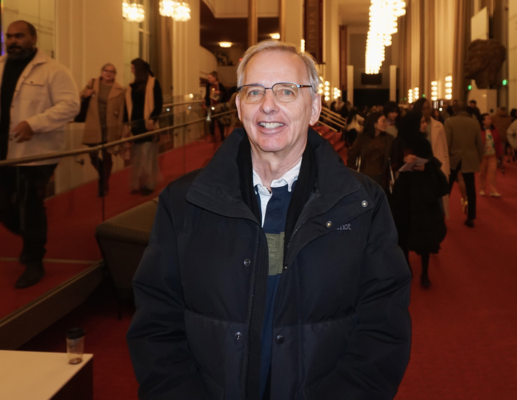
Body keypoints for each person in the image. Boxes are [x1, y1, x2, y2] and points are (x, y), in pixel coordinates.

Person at [127, 40, 411, 400]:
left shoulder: (362, 205)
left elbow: (382, 331)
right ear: (239, 107)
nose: (268, 105)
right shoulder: (183, 202)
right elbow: (157, 325)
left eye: (287, 91)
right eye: (254, 91)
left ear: (314, 108)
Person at [0, 20, 79, 288]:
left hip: (35, 154)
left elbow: (71, 105)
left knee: (30, 205)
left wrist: (34, 123)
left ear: (33, 39)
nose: (13, 41)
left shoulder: (54, 70)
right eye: (10, 36)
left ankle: (34, 260)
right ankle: (31, 234)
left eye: (19, 36)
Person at [390, 112, 448, 288]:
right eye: (422, 122)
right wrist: (404, 161)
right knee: (404, 229)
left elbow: (431, 163)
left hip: (422, 191)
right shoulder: (399, 141)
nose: (425, 125)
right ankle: (406, 265)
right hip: (405, 191)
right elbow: (393, 164)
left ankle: (425, 272)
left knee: (425, 233)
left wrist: (424, 167)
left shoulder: (424, 142)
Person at [80, 63, 126, 196]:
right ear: (101, 72)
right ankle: (103, 176)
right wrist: (85, 95)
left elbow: (121, 112)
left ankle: (103, 183)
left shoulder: (119, 89)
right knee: (93, 155)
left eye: (111, 71)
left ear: (114, 74)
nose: (108, 73)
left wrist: (119, 131)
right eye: (106, 70)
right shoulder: (92, 83)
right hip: (94, 125)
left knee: (107, 156)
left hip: (109, 126)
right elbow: (80, 95)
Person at [124, 58, 163, 196]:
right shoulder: (131, 86)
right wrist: (126, 125)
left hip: (148, 126)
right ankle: (139, 183)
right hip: (135, 126)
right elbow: (127, 106)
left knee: (147, 155)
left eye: (133, 68)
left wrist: (152, 120)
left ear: (139, 69)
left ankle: (148, 184)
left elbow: (158, 104)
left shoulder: (153, 83)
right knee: (138, 156)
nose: (131, 71)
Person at [444, 102, 484, 227]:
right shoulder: (474, 122)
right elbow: (479, 143)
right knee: (470, 187)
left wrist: (445, 158)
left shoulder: (449, 122)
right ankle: (471, 216)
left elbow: (447, 142)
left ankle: (441, 215)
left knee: (447, 188)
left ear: (454, 109)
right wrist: (479, 158)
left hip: (453, 158)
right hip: (469, 158)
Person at [412, 98, 451, 217]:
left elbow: (445, 148)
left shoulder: (438, 125)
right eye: (424, 108)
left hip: (435, 167)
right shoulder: (413, 126)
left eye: (428, 108)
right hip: (419, 168)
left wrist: (446, 168)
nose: (427, 111)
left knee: (438, 199)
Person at [346, 111, 394, 195]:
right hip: (365, 175)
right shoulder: (363, 138)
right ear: (374, 123)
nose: (385, 124)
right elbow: (352, 155)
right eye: (383, 121)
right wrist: (354, 173)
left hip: (381, 177)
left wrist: (389, 178)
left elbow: (391, 159)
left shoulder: (388, 139)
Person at [478, 113, 503, 197]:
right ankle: (482, 188)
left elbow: (498, 141)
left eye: (490, 118)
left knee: (493, 173)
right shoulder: (479, 129)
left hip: (492, 154)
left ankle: (493, 190)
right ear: (483, 121)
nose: (490, 120)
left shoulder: (494, 129)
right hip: (482, 155)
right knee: (482, 173)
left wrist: (499, 153)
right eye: (488, 119)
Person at [205, 70, 227, 141]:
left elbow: (226, 94)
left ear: (215, 78)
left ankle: (222, 136)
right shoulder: (208, 86)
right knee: (210, 122)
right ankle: (212, 137)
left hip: (218, 106)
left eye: (210, 78)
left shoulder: (220, 85)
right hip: (210, 106)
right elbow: (207, 95)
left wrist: (219, 92)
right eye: (208, 78)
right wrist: (205, 101)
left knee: (220, 121)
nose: (209, 79)